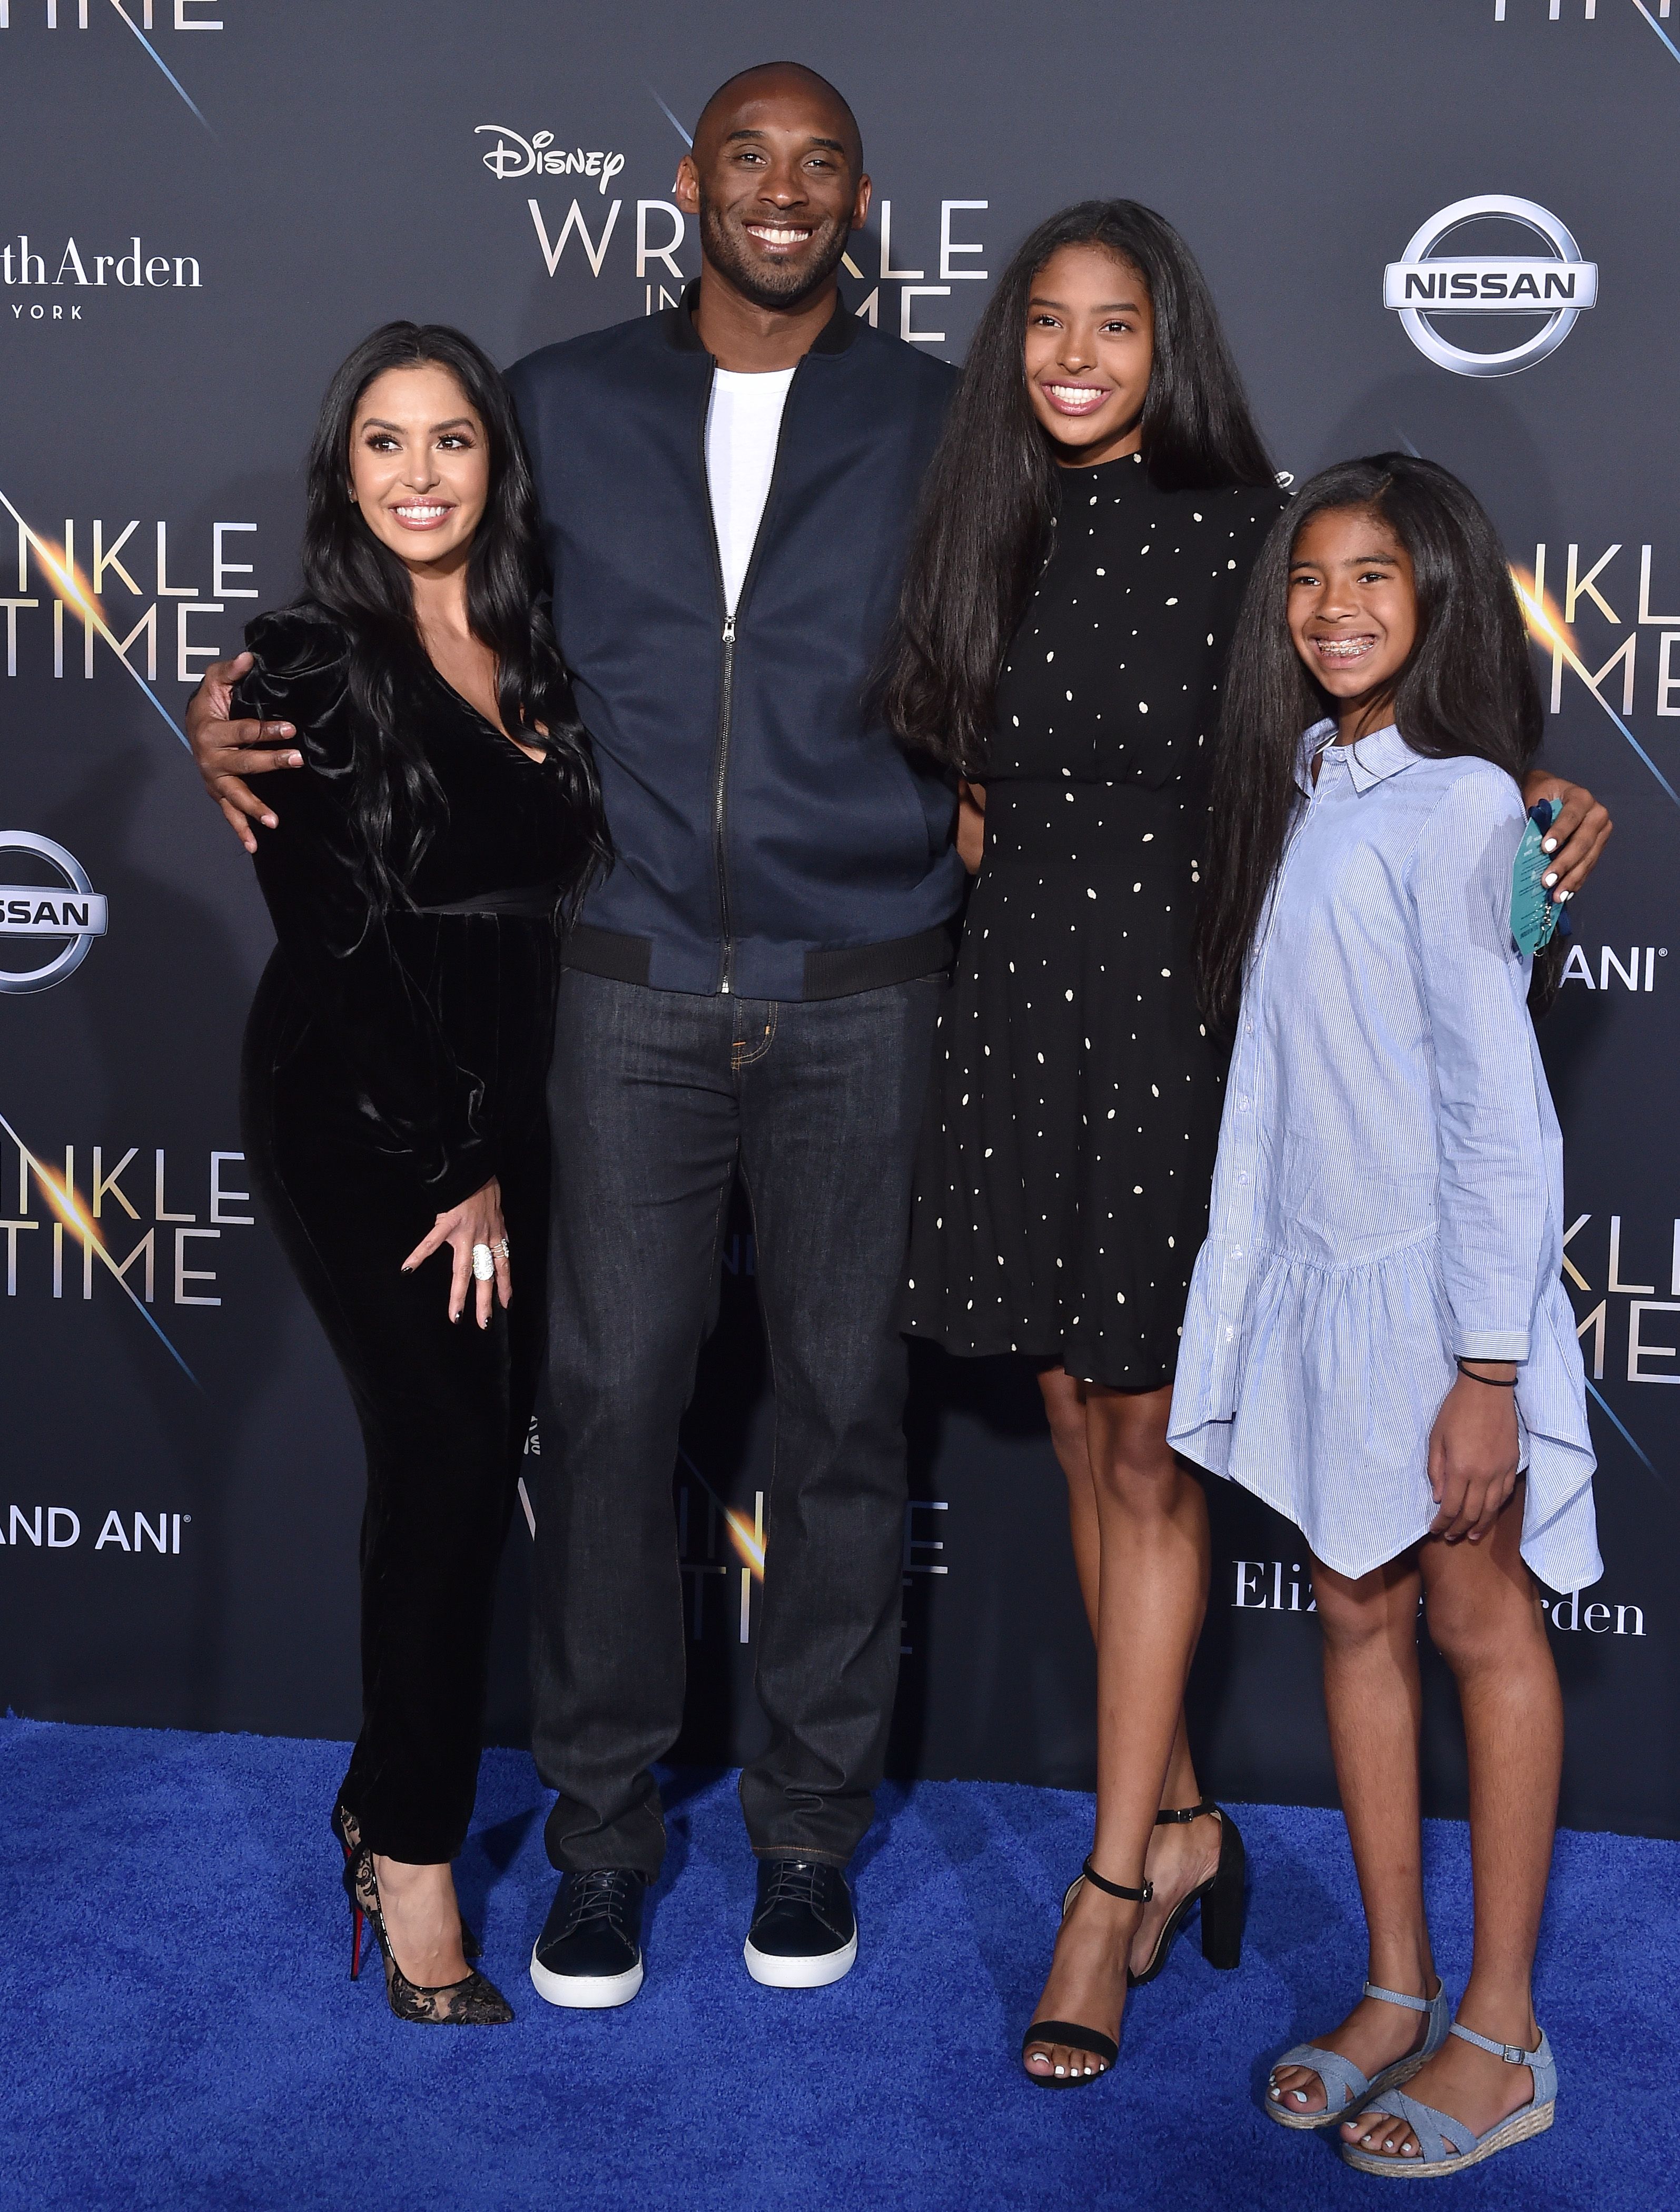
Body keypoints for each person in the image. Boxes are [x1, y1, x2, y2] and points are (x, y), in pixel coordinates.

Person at [187, 64, 961, 2004]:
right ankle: (604, 1840)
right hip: (618, 994)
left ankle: (805, 1832)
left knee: (847, 1422)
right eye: (747, 159)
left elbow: (1107, 622)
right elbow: (402, 615)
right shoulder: (559, 400)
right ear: (688, 183)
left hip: (864, 983)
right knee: (605, 1421)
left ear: (864, 200)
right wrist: (232, 711)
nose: (780, 194)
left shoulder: (946, 422)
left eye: (821, 166)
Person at [884, 203, 1611, 2087]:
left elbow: (1401, 721)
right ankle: (1193, 1821)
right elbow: (983, 793)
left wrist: (1534, 807)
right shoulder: (977, 520)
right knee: (1069, 1415)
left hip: (1169, 1028)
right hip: (1018, 1012)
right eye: (1043, 323)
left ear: (1168, 342)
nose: (1073, 357)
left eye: (1114, 325)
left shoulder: (1244, 536)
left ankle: (1116, 1883)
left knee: (1149, 1441)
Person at [1171, 455, 1598, 2176]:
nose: (1334, 609)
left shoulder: (1467, 802)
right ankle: (1397, 1986)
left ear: (1438, 599)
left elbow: (1504, 1110)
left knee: (1479, 1624)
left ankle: (1502, 2028)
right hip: (1322, 1279)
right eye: (1308, 579)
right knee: (1357, 1614)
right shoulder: (1305, 775)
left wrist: (1487, 1370)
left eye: (1375, 580)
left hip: (1439, 1303)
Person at [234, 322, 606, 2025]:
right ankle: (415, 1863)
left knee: (460, 1465)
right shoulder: (309, 665)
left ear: (493, 465)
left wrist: (510, 1145)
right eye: (383, 443)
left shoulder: (537, 650)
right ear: (344, 471)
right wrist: (461, 1165)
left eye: (449, 440)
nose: (418, 476)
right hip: (371, 1114)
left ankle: (386, 1798)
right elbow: (340, 933)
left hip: (515, 1109)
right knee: (452, 1465)